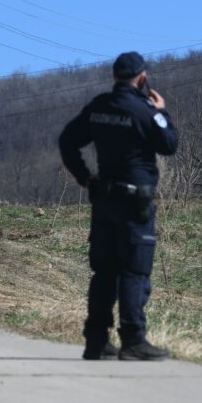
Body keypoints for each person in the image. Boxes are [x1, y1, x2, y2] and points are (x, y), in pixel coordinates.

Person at [58, 51, 179, 361]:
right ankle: (133, 340)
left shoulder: (99, 107)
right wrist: (161, 111)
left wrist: (85, 177)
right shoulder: (144, 111)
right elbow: (169, 143)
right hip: (134, 201)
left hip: (104, 198)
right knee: (134, 270)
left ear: (114, 77)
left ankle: (96, 341)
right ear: (142, 77)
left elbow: (67, 141)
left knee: (104, 272)